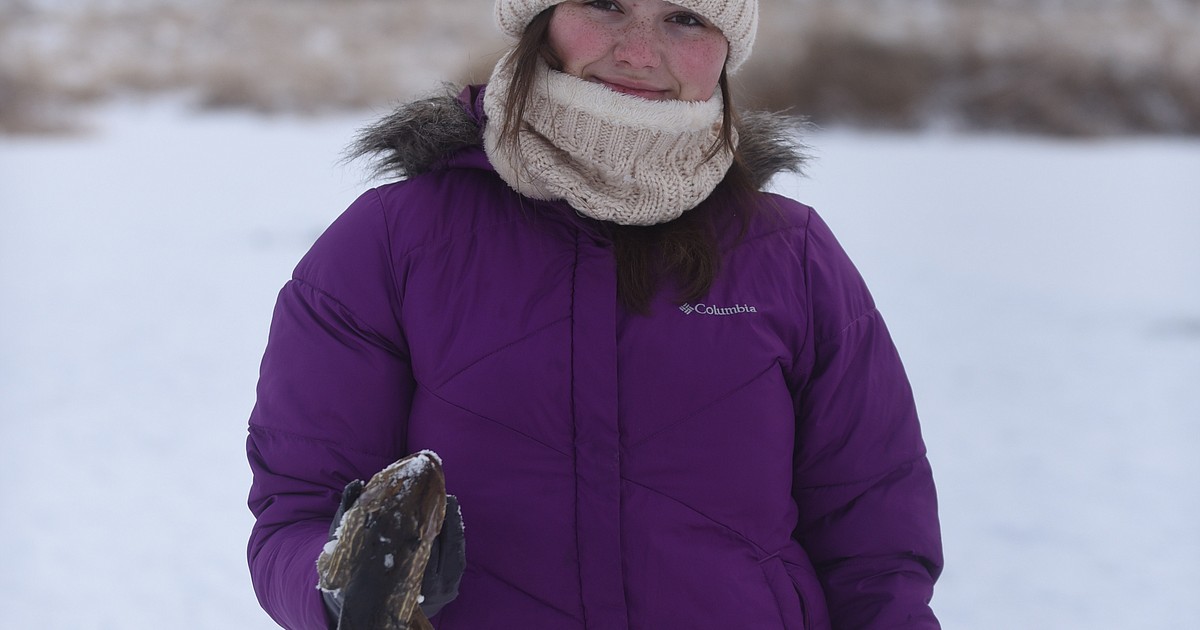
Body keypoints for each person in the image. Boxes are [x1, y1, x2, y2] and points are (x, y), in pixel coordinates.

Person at [246, 0, 944, 628]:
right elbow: (299, 513)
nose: (638, 51)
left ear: (727, 47)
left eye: (686, 17)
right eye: (605, 5)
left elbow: (876, 543)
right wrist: (343, 590)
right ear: (540, 21)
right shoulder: (393, 241)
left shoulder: (791, 254)